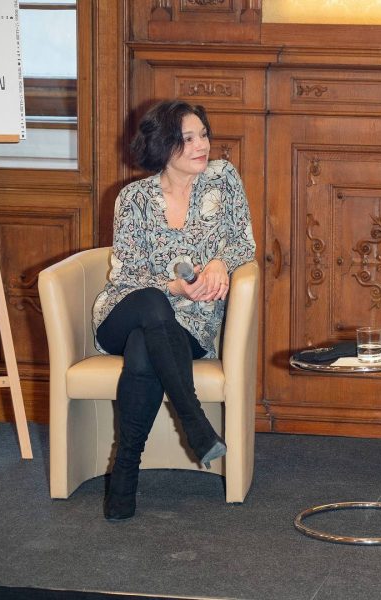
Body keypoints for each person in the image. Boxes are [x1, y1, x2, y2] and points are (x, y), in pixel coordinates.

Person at [92, 99, 256, 521]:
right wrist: (172, 286)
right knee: (152, 302)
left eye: (203, 134)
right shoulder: (133, 199)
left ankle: (125, 471)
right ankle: (194, 421)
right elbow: (126, 275)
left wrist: (221, 261)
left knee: (147, 346)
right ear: (164, 146)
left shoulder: (224, 180)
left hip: (190, 327)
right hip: (122, 314)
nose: (202, 144)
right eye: (188, 138)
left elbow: (244, 241)